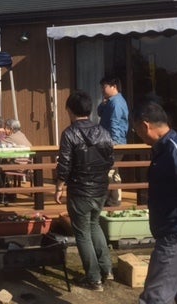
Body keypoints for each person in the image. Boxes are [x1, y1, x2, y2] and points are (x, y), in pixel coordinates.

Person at [133, 101, 177, 304]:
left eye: (136, 129)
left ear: (145, 125)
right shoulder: (164, 149)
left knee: (154, 298)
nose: (137, 134)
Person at [55, 90, 114, 292]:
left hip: (80, 190)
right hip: (100, 188)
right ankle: (107, 269)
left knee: (82, 233)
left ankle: (94, 278)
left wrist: (59, 187)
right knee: (94, 225)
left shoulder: (69, 133)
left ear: (70, 110)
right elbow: (110, 160)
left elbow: (64, 164)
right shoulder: (104, 132)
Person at [97, 76, 129, 144]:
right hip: (107, 140)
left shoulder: (116, 102)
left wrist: (115, 142)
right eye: (101, 88)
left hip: (114, 141)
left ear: (114, 86)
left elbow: (115, 122)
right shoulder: (110, 101)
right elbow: (99, 113)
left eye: (104, 87)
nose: (102, 90)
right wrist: (103, 104)